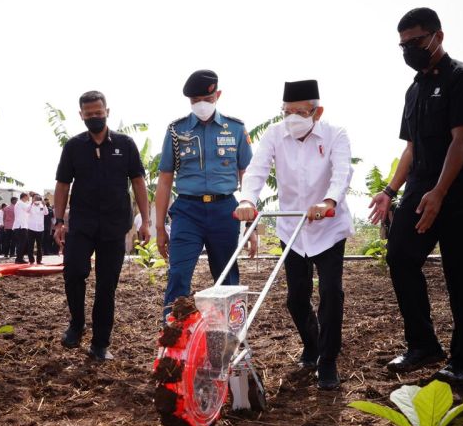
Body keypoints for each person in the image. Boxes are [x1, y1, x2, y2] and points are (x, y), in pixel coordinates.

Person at [368, 8, 463, 388]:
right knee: (400, 255)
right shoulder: (414, 89)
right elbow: (411, 147)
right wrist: (389, 191)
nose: (409, 49)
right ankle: (423, 344)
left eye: (415, 41)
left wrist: (440, 192)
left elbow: (462, 139)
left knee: (461, 275)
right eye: (403, 45)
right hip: (423, 188)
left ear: (437, 37)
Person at [236, 80, 353, 390]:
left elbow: (342, 173)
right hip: (292, 227)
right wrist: (248, 200)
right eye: (287, 112)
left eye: (300, 112)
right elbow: (257, 169)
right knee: (295, 298)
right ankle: (312, 344)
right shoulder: (275, 135)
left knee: (331, 293)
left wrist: (328, 202)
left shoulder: (335, 135)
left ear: (318, 111)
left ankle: (327, 361)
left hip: (328, 226)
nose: (292, 118)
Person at [53, 90, 150, 361]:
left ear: (107, 111)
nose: (94, 117)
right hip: (82, 225)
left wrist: (146, 220)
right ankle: (76, 324)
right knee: (74, 272)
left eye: (98, 112)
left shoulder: (125, 144)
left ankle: (100, 343)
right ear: (81, 115)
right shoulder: (73, 147)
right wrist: (59, 221)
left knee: (107, 286)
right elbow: (62, 185)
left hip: (114, 226)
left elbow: (138, 183)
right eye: (89, 114)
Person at [155, 69, 254, 320]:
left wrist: (252, 223)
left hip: (225, 210)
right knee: (178, 275)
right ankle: (173, 338)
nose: (201, 105)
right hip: (187, 211)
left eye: (207, 100)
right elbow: (165, 179)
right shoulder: (176, 131)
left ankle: (231, 335)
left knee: (227, 275)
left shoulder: (235, 129)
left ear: (217, 95)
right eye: (195, 100)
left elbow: (249, 176)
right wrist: (159, 227)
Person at [26, 194, 46, 264]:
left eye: (38, 199)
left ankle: (39, 260)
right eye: (35, 199)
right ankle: (31, 260)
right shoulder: (30, 206)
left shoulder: (42, 206)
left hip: (40, 229)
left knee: (39, 245)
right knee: (30, 245)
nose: (36, 201)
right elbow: (27, 210)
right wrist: (31, 203)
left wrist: (44, 205)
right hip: (31, 228)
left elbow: (46, 213)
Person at [13, 192, 31, 264]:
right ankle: (19, 259)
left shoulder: (21, 203)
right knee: (21, 243)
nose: (29, 198)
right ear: (25, 196)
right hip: (20, 226)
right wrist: (31, 202)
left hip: (21, 226)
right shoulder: (20, 203)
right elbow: (28, 209)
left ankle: (20, 258)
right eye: (28, 196)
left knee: (23, 243)